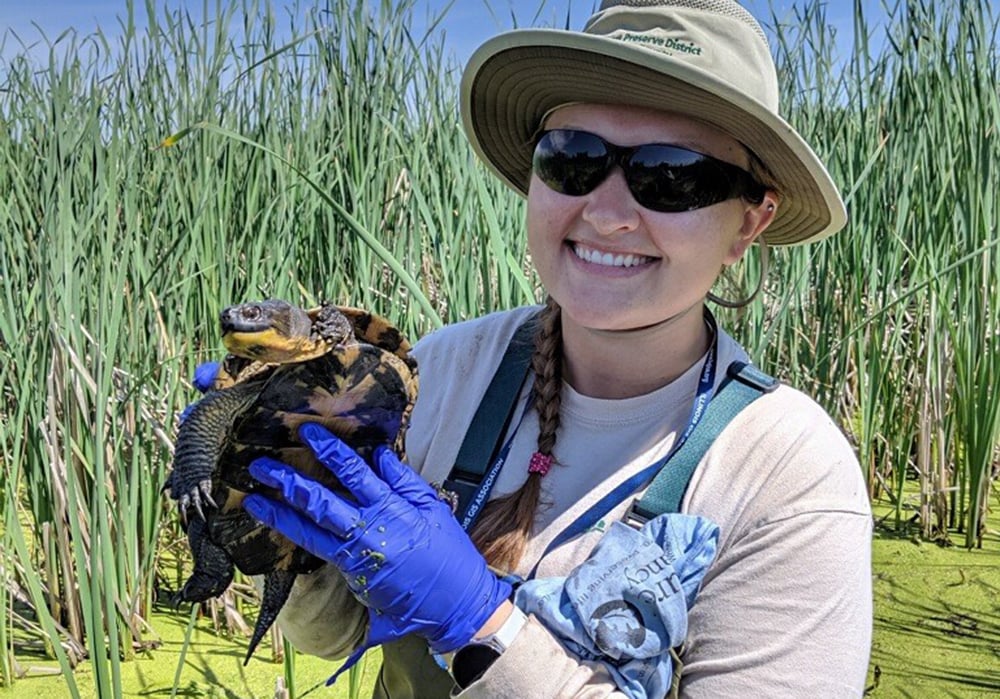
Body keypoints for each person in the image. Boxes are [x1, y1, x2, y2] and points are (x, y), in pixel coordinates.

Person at [228, 1, 874, 696]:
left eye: (671, 175)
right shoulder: (442, 373)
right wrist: (270, 519)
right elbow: (336, 632)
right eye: (575, 159)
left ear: (750, 221)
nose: (607, 211)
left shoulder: (786, 476)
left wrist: (483, 624)